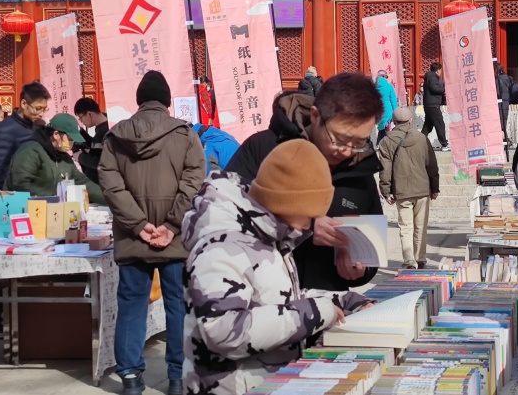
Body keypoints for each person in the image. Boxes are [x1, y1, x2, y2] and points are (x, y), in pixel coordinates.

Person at [182, 140, 374, 395]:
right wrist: (314, 313)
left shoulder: (270, 238)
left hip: (267, 383)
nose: (310, 224)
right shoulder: (221, 245)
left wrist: (342, 299)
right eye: (309, 214)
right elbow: (223, 332)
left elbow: (279, 301)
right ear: (286, 203)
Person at [225, 73, 384, 294]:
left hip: (326, 308)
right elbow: (226, 216)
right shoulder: (264, 149)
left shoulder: (360, 168)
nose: (348, 151)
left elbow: (373, 244)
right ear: (316, 115)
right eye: (339, 139)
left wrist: (361, 269)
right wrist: (303, 227)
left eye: (359, 142)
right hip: (260, 305)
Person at [98, 70, 206, 395]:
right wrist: (171, 225)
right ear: (168, 101)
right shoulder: (185, 134)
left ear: (139, 100)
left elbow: (110, 183)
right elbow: (195, 181)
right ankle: (176, 377)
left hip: (133, 237)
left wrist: (137, 224)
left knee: (132, 304)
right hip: (174, 238)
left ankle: (130, 377)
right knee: (177, 304)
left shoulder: (115, 136)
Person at [378, 107, 439, 270]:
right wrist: (435, 187)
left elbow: (385, 169)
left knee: (405, 227)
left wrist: (386, 191)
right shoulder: (421, 138)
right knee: (421, 226)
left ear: (394, 122)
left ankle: (409, 261)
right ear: (410, 121)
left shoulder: (386, 141)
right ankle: (420, 258)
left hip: (402, 190)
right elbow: (432, 165)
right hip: (422, 189)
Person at [5, 113, 104, 203]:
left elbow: (82, 182)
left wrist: (109, 199)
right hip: (24, 211)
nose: (72, 143)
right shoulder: (31, 151)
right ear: (56, 134)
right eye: (70, 138)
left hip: (52, 213)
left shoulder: (64, 158)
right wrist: (54, 198)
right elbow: (20, 184)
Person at [0, 81, 51, 190]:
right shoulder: (7, 129)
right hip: (11, 195)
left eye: (44, 109)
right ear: (24, 104)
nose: (41, 114)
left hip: (33, 190)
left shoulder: (37, 127)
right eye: (38, 108)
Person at [74, 97, 109, 185]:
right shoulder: (104, 127)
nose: (81, 121)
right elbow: (95, 147)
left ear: (89, 114)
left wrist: (79, 157)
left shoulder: (103, 132)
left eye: (81, 117)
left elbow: (98, 162)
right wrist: (82, 133)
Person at [421, 63, 449, 151]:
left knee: (428, 126)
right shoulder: (433, 78)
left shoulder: (429, 77)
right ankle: (444, 144)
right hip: (433, 105)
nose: (441, 72)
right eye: (441, 70)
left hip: (429, 105)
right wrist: (444, 89)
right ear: (438, 70)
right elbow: (434, 89)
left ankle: (419, 143)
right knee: (439, 124)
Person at [375, 70, 398, 145]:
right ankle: (388, 146)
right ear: (384, 77)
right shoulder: (389, 86)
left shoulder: (375, 88)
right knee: (387, 130)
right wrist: (396, 112)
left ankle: (379, 144)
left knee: (381, 129)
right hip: (388, 111)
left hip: (379, 111)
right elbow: (393, 101)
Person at [494, 64, 511, 143]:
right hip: (506, 102)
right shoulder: (507, 78)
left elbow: (497, 92)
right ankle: (505, 138)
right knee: (504, 120)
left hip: (500, 102)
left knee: (500, 121)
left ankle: (504, 138)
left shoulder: (498, 79)